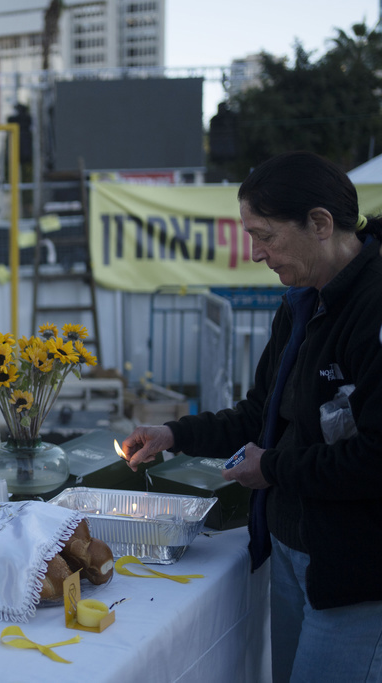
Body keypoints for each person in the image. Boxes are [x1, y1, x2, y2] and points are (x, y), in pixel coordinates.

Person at [121, 151, 382, 683]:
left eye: (264, 235)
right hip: (291, 550)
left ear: (320, 223)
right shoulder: (298, 303)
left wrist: (274, 469)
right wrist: (174, 433)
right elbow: (261, 413)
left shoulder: (372, 308)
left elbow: (375, 458)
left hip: (356, 574)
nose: (255, 253)